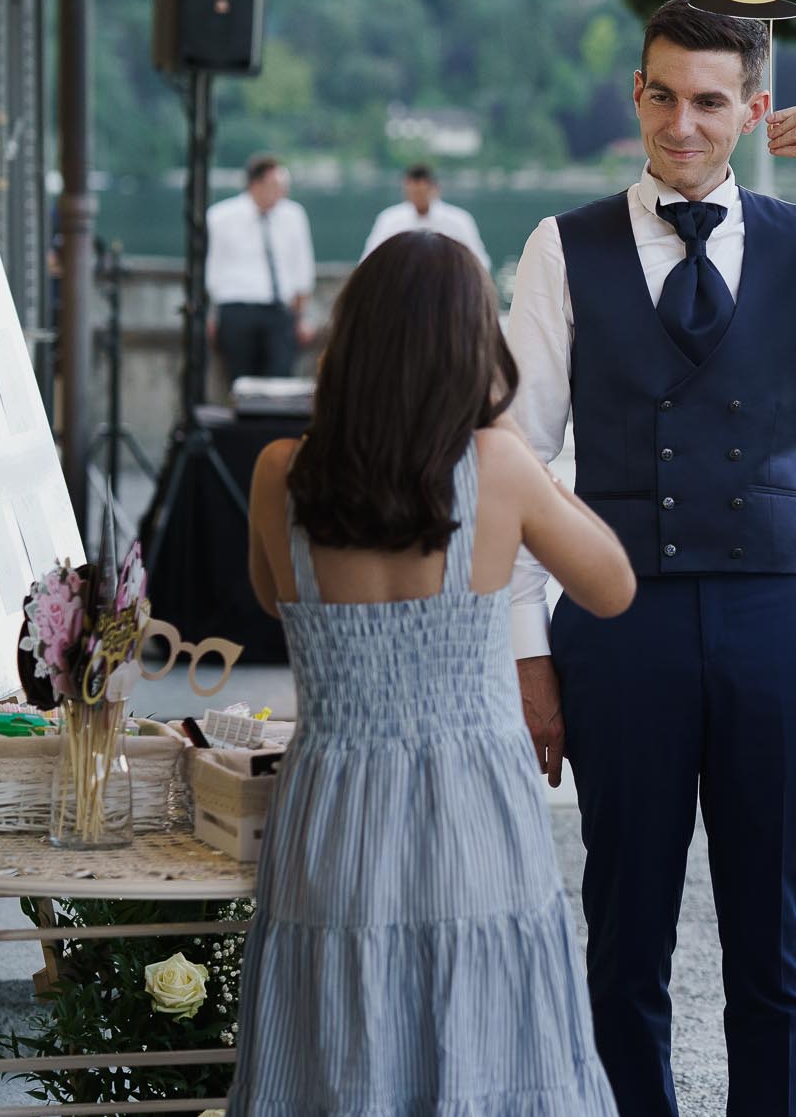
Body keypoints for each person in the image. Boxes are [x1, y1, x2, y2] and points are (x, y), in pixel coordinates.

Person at [504, 0, 796, 1116]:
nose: (681, 124)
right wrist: (529, 657)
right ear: (636, 93)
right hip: (616, 629)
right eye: (661, 95)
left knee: (772, 929)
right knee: (624, 935)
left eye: (710, 102)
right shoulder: (559, 249)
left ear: (754, 109)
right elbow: (516, 463)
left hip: (774, 617)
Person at [231, 231, 633, 1112]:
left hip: (334, 801)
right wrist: (509, 440)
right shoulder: (497, 468)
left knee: (339, 1025)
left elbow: (274, 596)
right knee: (488, 1020)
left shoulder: (280, 472)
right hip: (472, 798)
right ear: (469, 348)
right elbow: (612, 584)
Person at [206, 152, 316, 381]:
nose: (281, 191)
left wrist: (301, 316)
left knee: (281, 381)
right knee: (240, 381)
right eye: (275, 185)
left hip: (279, 311)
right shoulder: (221, 217)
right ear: (255, 185)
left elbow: (302, 269)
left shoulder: (293, 215)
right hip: (236, 309)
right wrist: (211, 316)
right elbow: (213, 268)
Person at [361, 162, 493, 271]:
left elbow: (480, 262)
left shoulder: (458, 221)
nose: (418, 197)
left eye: (422, 192)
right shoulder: (389, 220)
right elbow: (368, 260)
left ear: (435, 189)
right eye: (413, 192)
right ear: (405, 190)